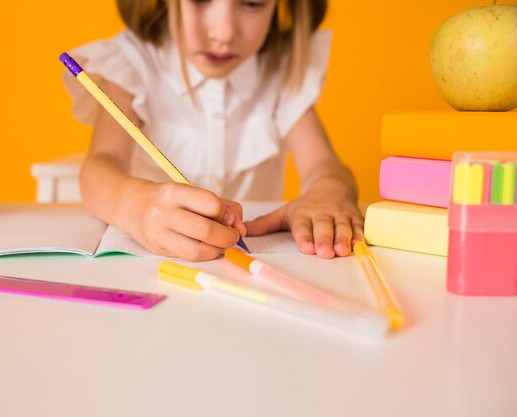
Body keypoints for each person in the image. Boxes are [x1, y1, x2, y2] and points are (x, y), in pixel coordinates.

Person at [63, 0, 364, 261]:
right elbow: (99, 168)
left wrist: (329, 190)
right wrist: (134, 206)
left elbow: (323, 165)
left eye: (252, 3)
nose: (224, 33)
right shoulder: (132, 64)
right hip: (155, 269)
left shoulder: (281, 69)